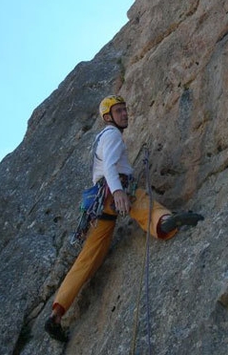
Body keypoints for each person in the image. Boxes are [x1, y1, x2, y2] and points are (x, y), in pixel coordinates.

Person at [45, 94, 204, 342]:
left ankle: (57, 312)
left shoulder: (102, 137)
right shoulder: (112, 135)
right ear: (108, 117)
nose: (125, 114)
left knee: (88, 257)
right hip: (112, 191)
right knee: (140, 202)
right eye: (119, 111)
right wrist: (118, 190)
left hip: (98, 204)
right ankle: (163, 222)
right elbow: (109, 165)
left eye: (125, 110)